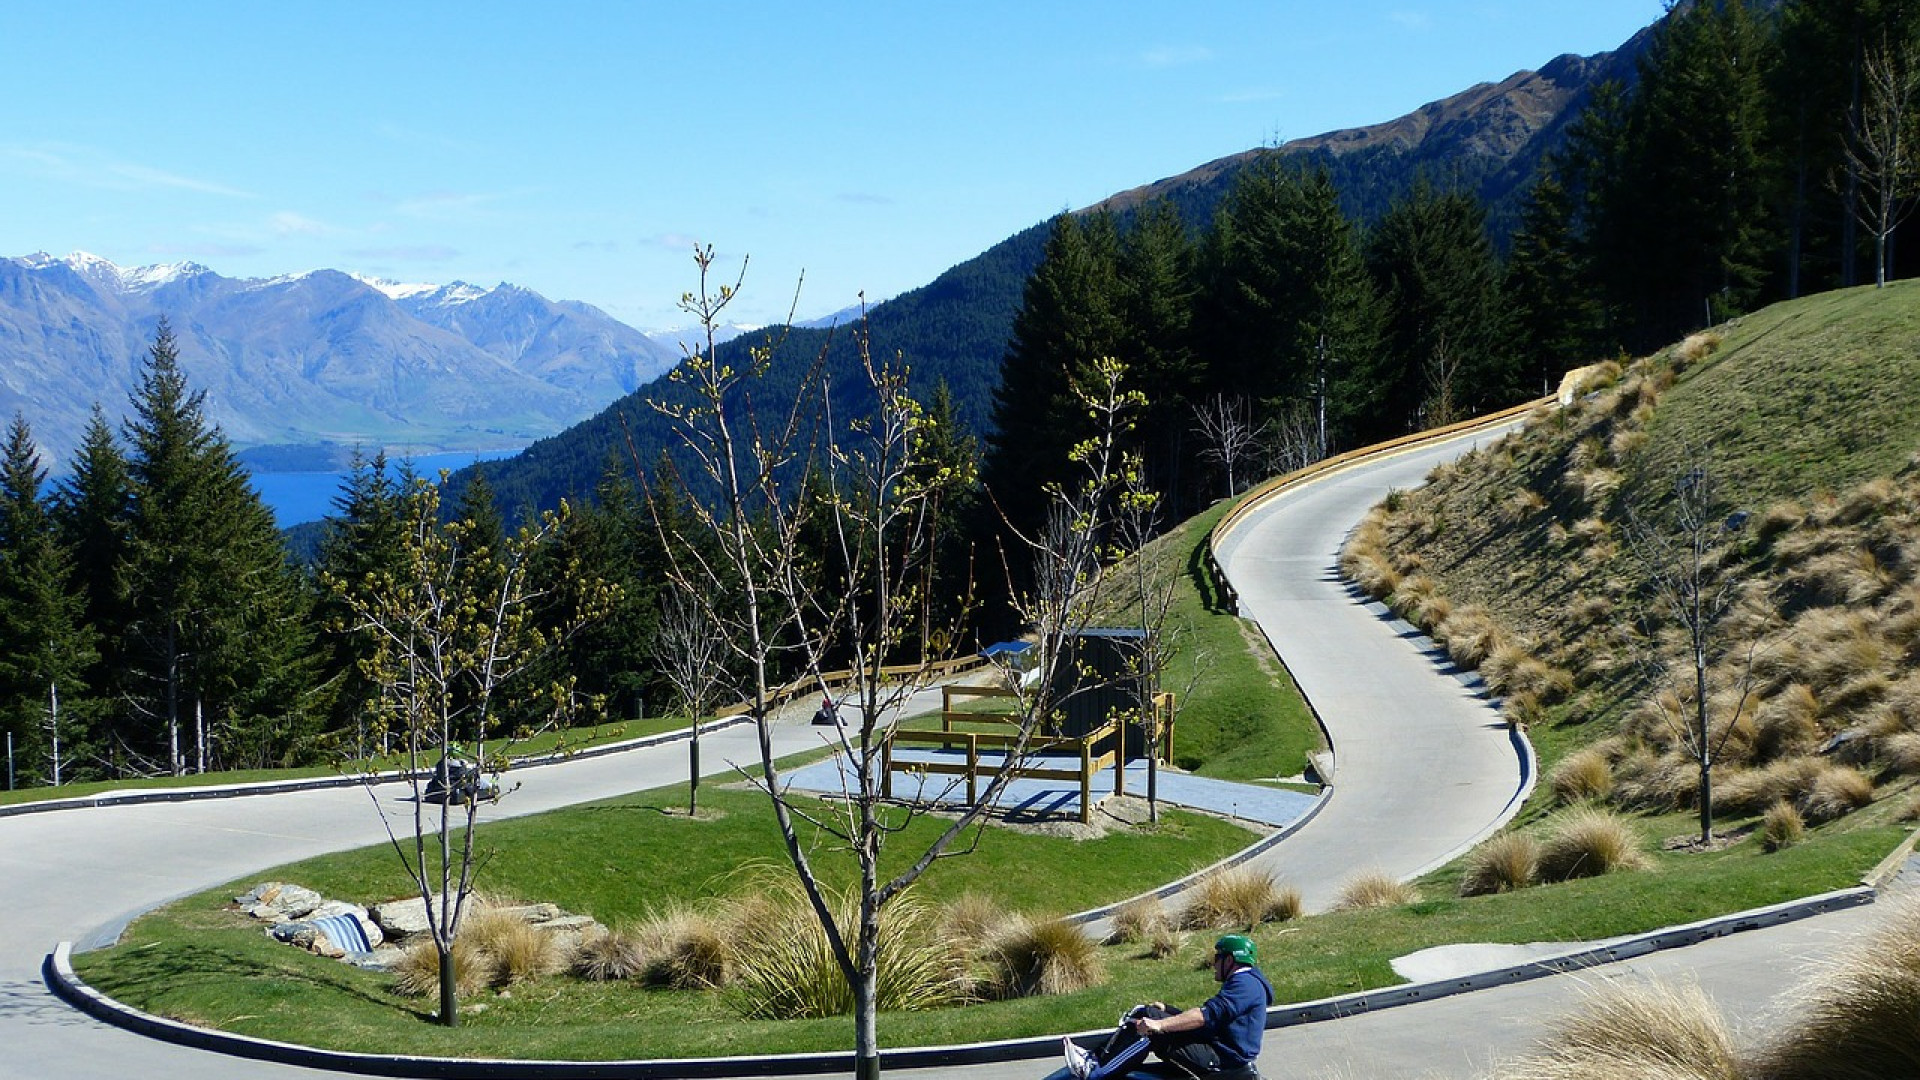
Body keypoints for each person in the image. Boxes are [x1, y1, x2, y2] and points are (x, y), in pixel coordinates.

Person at [1061, 933, 1272, 1079]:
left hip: (1221, 1059)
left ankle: (1095, 1072)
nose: (1213, 963)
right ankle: (1095, 1058)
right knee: (1145, 1012)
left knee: (1148, 1031)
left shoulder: (1245, 984)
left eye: (1218, 957)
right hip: (1215, 1048)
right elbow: (1212, 1020)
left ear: (1230, 961)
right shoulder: (1245, 982)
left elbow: (1204, 1016)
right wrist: (1167, 1011)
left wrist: (1160, 1025)